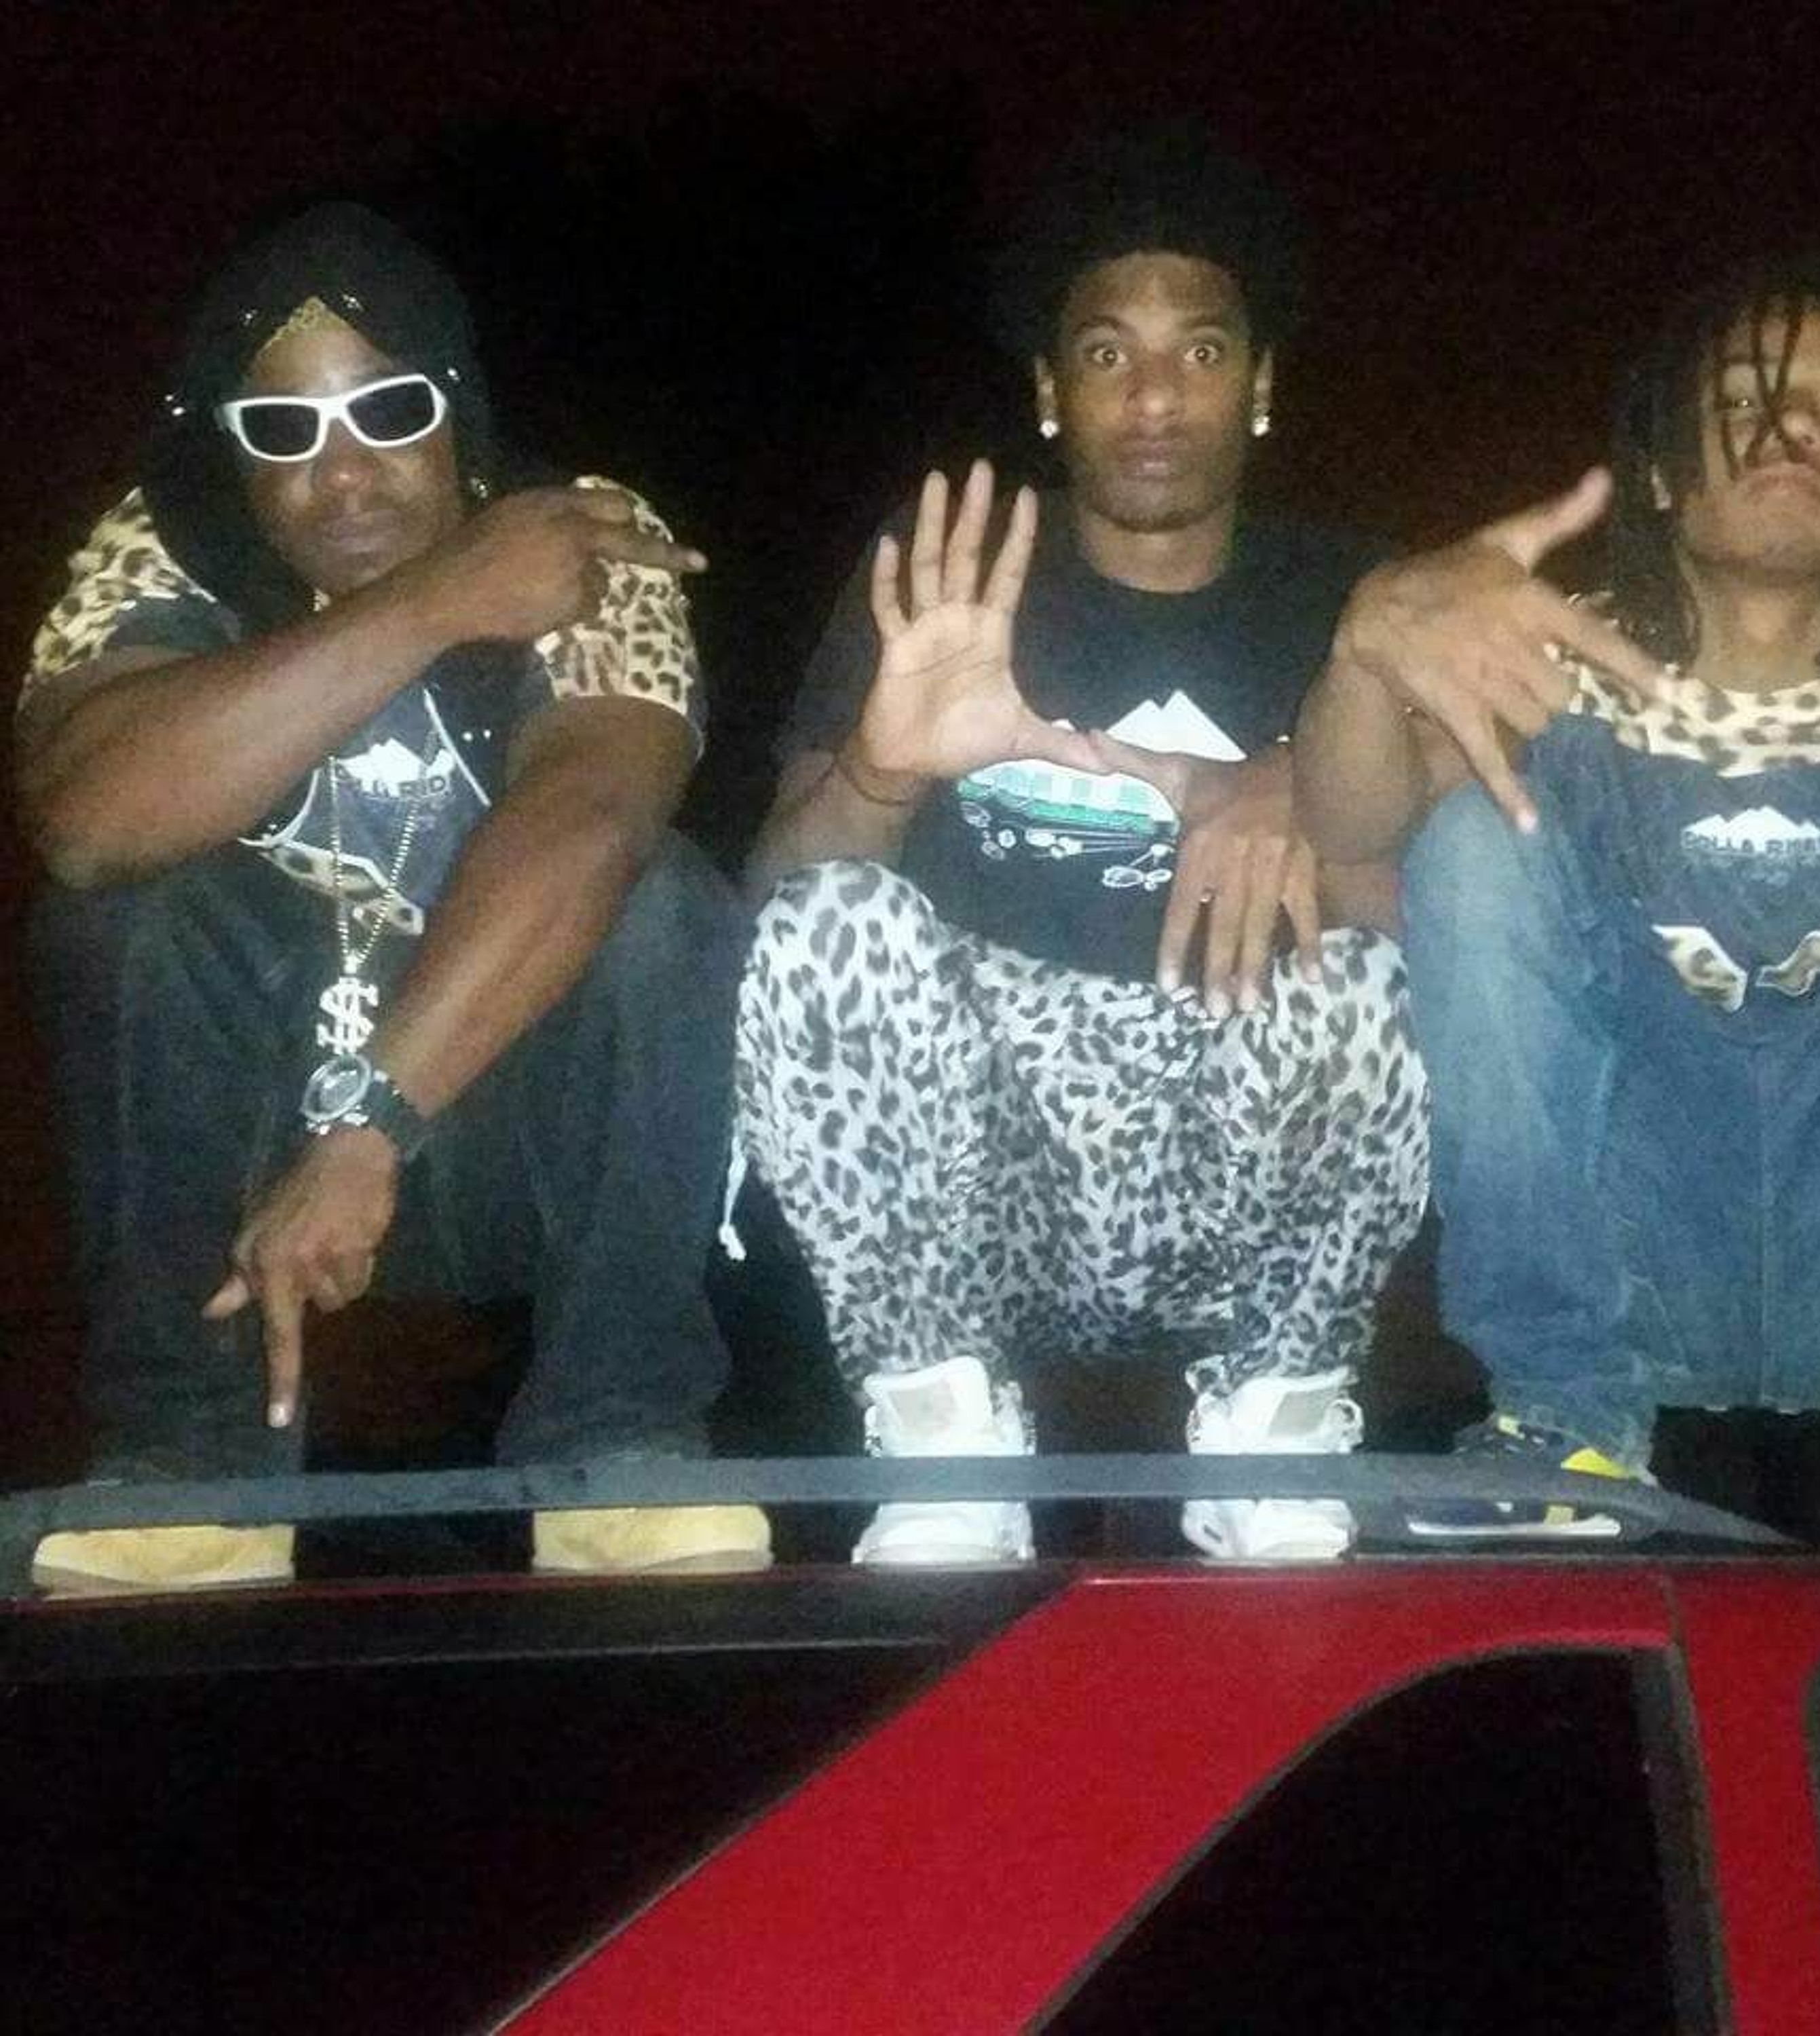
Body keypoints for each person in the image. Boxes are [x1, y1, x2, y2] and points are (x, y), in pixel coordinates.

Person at [18, 203, 766, 1591]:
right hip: (250, 1133)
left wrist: (371, 1127)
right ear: (232, 451)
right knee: (121, 921)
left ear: (459, 412)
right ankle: (186, 1468)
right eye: (284, 430)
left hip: (496, 1119)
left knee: (662, 903)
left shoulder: (585, 535)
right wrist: (433, 603)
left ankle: (620, 1446)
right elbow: (88, 824)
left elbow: (594, 816)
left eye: (388, 409)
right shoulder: (159, 549)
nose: (344, 470)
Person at [736, 130, 1430, 1566]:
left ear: (1262, 386)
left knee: (1372, 969)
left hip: (1237, 1155)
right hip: (982, 1181)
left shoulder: (1353, 601)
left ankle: (1277, 1429)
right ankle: (945, 1442)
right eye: (1109, 355)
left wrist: (1305, 785)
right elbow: (775, 908)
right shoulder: (952, 574)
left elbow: (1442, 921)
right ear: (1051, 394)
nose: (1156, 395)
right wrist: (882, 768)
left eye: (1201, 351)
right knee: (829, 917)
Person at [1295, 250, 1820, 1562]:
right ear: (1656, 470)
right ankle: (1562, 1428)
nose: (1794, 427)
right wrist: (1368, 641)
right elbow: (1352, 830)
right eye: (1746, 399)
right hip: (1637, 1240)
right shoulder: (1548, 660)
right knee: (1474, 838)